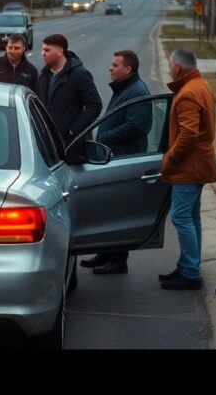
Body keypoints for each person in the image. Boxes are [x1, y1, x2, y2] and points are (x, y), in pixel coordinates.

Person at [81, 50, 150, 275]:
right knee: (108, 209)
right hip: (114, 157)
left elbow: (137, 125)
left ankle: (119, 260)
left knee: (120, 210)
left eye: (115, 65)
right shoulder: (124, 88)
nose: (110, 68)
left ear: (128, 69)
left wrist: (105, 137)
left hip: (124, 158)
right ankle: (105, 253)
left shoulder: (137, 91)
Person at [158, 47, 216, 291]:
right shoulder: (202, 86)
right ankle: (186, 266)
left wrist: (170, 159)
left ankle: (191, 272)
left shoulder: (188, 94)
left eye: (171, 65)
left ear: (178, 67)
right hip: (200, 163)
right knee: (191, 217)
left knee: (182, 217)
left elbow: (188, 134)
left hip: (188, 166)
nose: (170, 69)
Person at [36, 33, 103, 164]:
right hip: (47, 142)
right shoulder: (45, 75)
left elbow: (95, 106)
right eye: (43, 49)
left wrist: (73, 130)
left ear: (60, 51)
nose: (42, 53)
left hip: (69, 146)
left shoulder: (80, 75)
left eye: (47, 50)